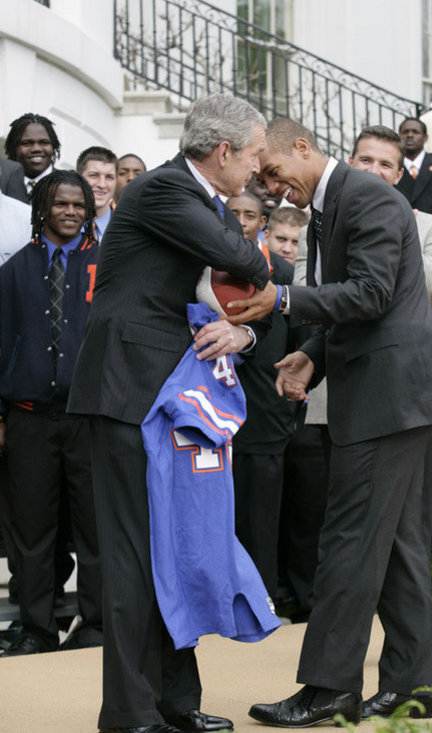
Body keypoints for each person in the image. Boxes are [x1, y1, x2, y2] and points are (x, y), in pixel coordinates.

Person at [226, 117, 432, 724]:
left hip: (391, 399)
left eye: (276, 173)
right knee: (400, 546)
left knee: (348, 541)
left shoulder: (367, 197)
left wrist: (283, 300)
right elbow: (371, 310)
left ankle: (329, 687)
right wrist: (312, 355)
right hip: (396, 395)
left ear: (303, 148)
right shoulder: (334, 205)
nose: (276, 189)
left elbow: (370, 294)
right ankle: (414, 685)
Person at [67, 93, 276, 733]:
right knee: (134, 557)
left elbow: (237, 283)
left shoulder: (198, 201)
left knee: (176, 547)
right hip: (126, 392)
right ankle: (129, 712)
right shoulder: (162, 192)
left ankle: (175, 703)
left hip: (169, 400)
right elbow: (244, 261)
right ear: (223, 153)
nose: (259, 171)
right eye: (255, 156)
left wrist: (248, 332)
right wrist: (266, 279)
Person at [0, 170, 102, 656]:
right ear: (43, 207)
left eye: (78, 205)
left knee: (95, 526)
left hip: (90, 419)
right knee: (32, 530)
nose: (70, 212)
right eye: (60, 203)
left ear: (89, 210)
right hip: (29, 418)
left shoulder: (108, 266)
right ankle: (37, 630)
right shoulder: (14, 270)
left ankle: (97, 624)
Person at [227, 190, 296, 599]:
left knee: (260, 520)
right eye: (232, 213)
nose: (241, 220)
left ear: (261, 223)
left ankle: (260, 601)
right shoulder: (198, 268)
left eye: (249, 214)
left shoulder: (281, 270)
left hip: (265, 414)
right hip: (209, 416)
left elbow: (302, 336)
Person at [352, 124, 432, 312]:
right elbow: (308, 297)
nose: (374, 171)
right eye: (366, 160)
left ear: (398, 175)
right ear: (350, 163)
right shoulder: (321, 220)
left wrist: (404, 237)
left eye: (385, 164)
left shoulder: (426, 225)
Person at [4, 113, 61, 201]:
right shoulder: (2, 183)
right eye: (27, 143)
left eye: (44, 142)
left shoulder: (70, 185)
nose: (36, 149)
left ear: (53, 146)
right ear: (13, 148)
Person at [76, 146, 117, 242]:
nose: (102, 185)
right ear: (78, 177)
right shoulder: (57, 227)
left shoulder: (126, 229)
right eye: (94, 175)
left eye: (109, 177)